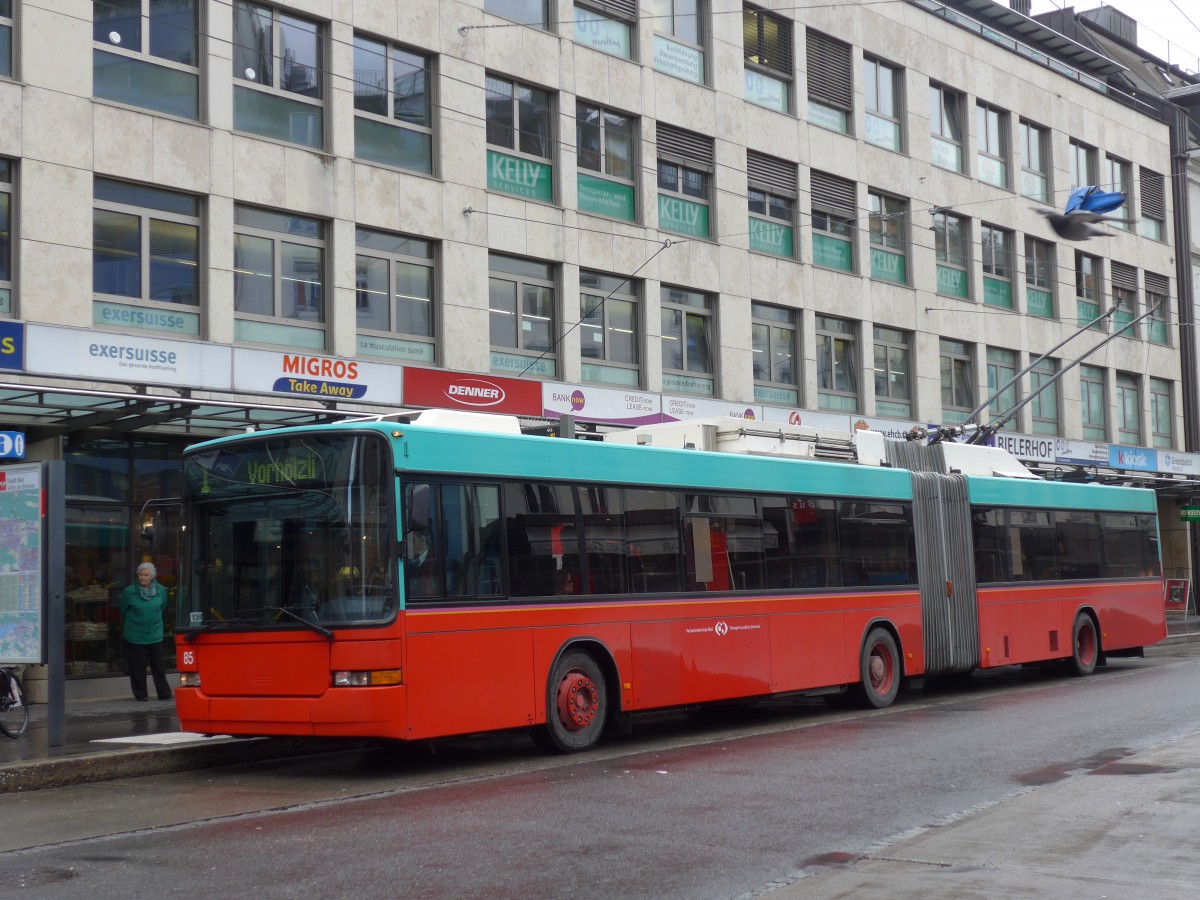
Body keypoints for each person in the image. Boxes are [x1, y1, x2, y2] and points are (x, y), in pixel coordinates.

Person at [120, 562, 173, 702]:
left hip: (155, 634)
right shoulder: (129, 592)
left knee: (159, 666)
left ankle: (164, 693)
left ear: (152, 576)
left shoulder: (161, 591)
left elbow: (162, 608)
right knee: (138, 667)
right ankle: (141, 694)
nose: (143, 577)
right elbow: (123, 610)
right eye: (141, 575)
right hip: (135, 635)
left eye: (146, 575)